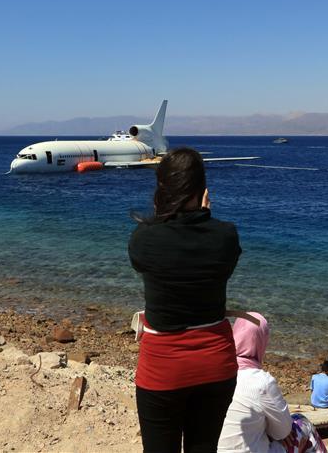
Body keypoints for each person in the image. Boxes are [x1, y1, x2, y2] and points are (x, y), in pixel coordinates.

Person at [129, 148, 241, 453]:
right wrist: (205, 217)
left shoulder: (144, 238)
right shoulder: (226, 235)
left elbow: (145, 262)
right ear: (203, 190)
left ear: (162, 190)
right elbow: (220, 261)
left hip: (163, 365)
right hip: (216, 363)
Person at [218, 313, 326, 453]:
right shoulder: (261, 382)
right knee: (303, 423)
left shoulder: (216, 371)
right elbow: (283, 432)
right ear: (262, 341)